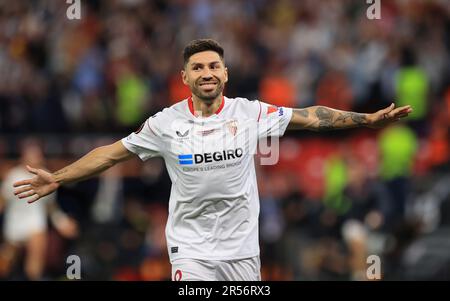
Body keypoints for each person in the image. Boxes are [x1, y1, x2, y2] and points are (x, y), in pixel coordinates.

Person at [12, 39, 412, 281]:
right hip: (191, 250)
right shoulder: (165, 123)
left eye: (213, 65)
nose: (207, 72)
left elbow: (311, 117)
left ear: (226, 73)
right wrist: (59, 178)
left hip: (242, 251)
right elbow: (111, 154)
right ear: (184, 77)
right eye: (198, 67)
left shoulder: (248, 113)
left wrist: (367, 119)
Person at [0, 139, 78, 280]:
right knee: (6, 262)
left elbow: (50, 207)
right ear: (23, 156)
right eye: (32, 153)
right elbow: (2, 201)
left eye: (38, 153)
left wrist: (62, 223)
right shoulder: (13, 175)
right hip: (15, 224)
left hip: (35, 223)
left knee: (36, 258)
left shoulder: (47, 176)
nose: (36, 157)